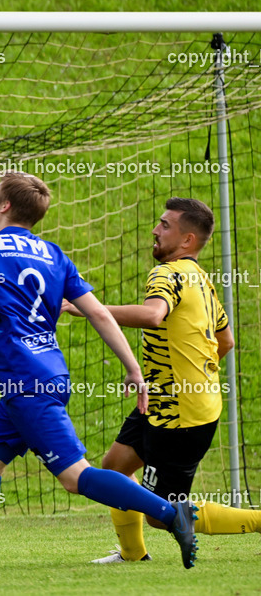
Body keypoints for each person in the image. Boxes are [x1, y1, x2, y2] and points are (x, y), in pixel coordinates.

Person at [0, 173, 198, 576]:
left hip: (27, 384)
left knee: (75, 477)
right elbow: (98, 313)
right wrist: (133, 369)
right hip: (44, 378)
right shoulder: (54, 254)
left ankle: (172, 514)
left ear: (6, 205)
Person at [61, 197, 261, 563]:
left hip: (180, 415)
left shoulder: (166, 273)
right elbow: (226, 340)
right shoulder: (201, 279)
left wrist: (86, 308)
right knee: (116, 467)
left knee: (161, 513)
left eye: (165, 225)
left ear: (187, 240)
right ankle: (132, 555)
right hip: (166, 400)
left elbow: (154, 315)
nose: (155, 230)